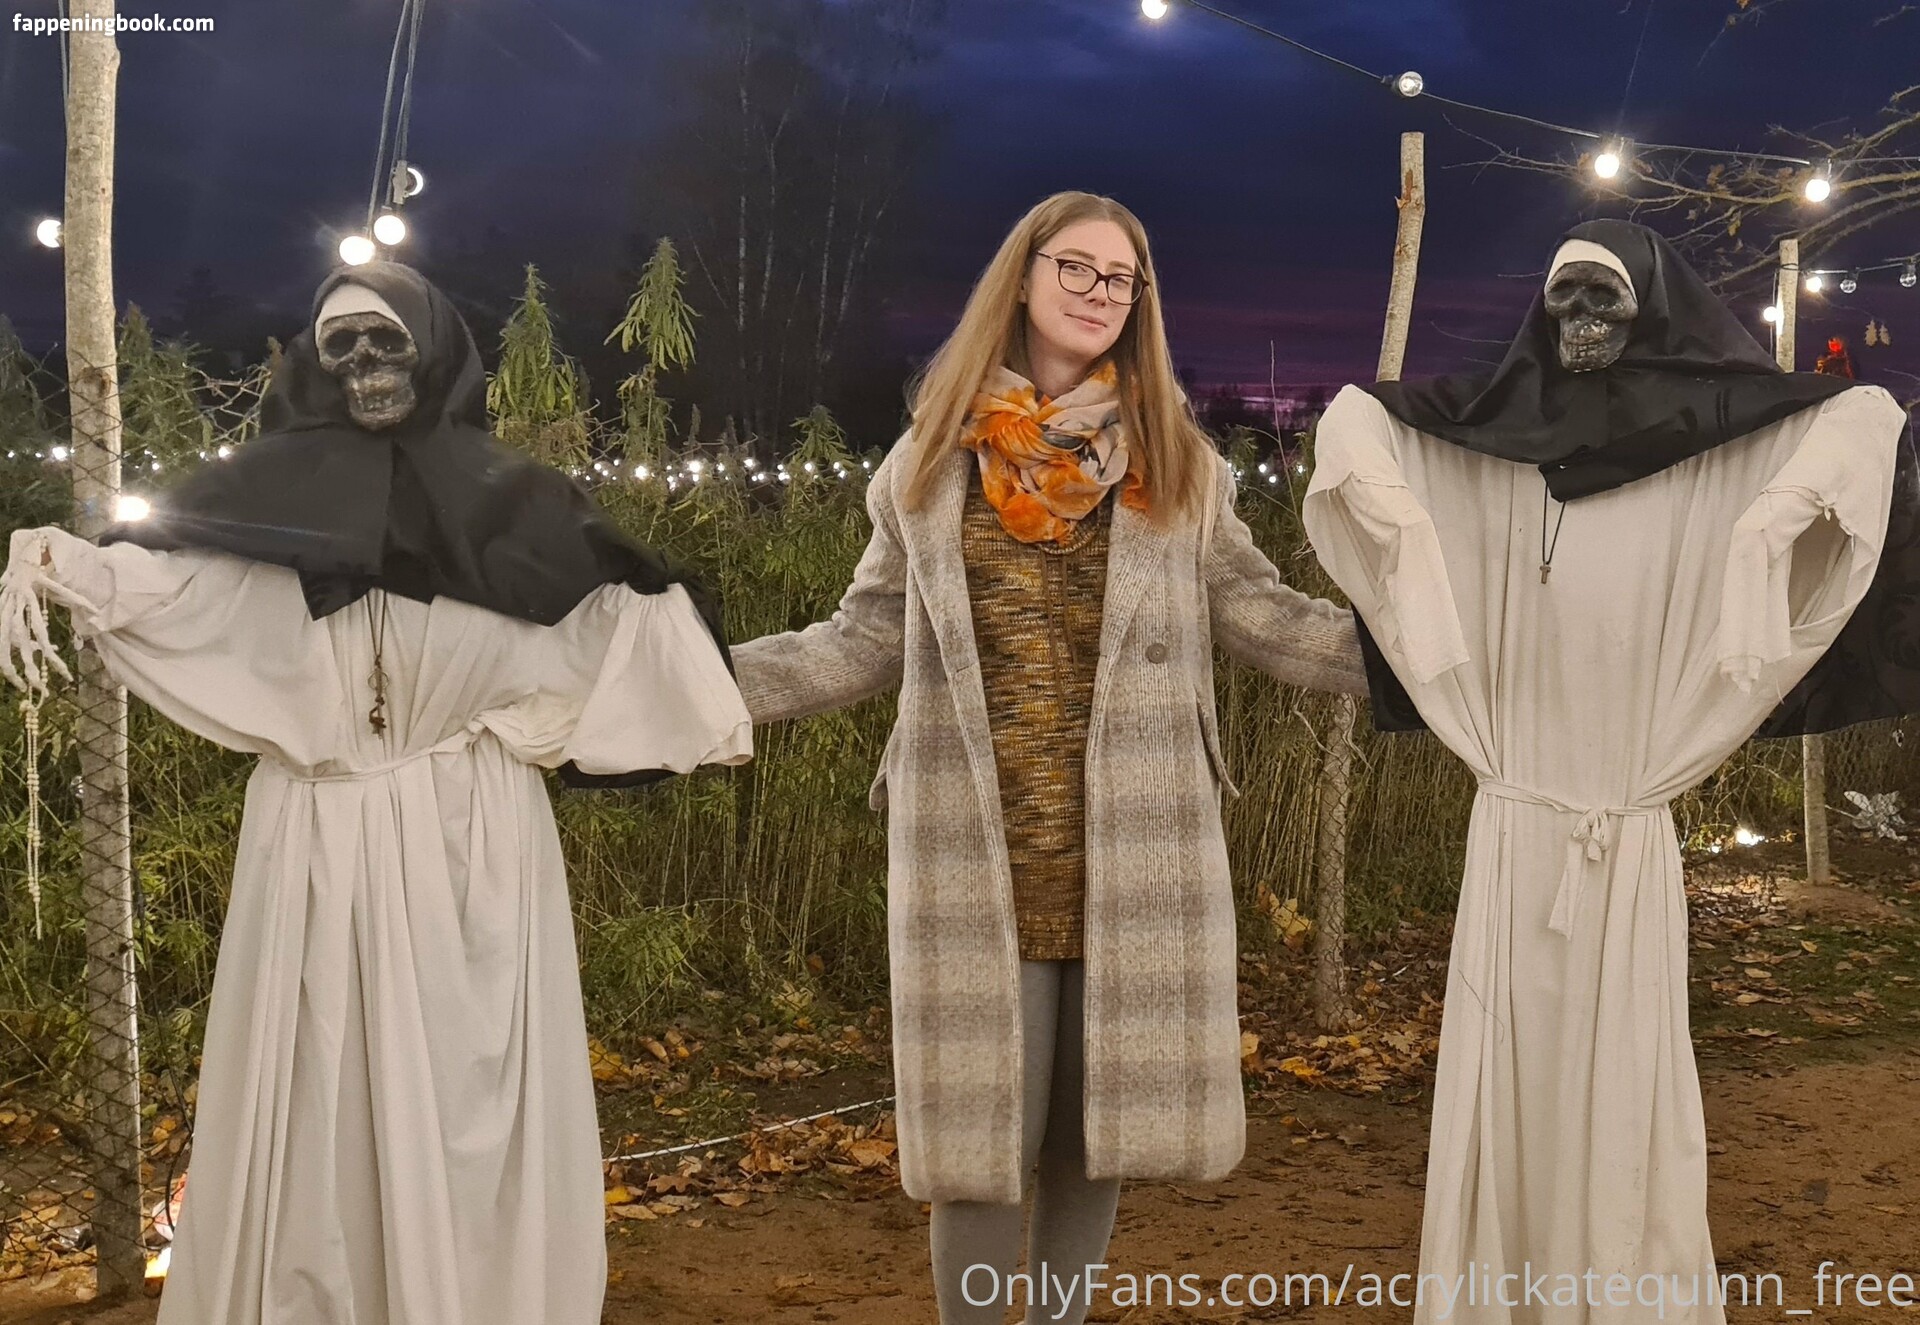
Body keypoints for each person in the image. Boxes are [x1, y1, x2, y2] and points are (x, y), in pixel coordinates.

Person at [0, 261, 754, 1325]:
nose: (363, 363)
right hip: (317, 830)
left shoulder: (519, 505)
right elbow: (174, 589)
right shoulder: (257, 504)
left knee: (466, 1082)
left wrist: (684, 652)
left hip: (470, 839)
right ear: (312, 366)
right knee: (320, 1085)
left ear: (434, 350)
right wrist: (59, 562)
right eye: (339, 344)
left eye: (385, 339)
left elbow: (607, 624)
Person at [729, 190, 1369, 1325]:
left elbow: (1264, 614)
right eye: (1076, 266)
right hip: (974, 843)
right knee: (978, 1143)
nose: (1098, 291)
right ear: (1022, 278)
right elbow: (862, 637)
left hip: (1138, 841)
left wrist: (1424, 661)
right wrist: (686, 682)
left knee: (1093, 1130)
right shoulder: (929, 461)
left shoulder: (1178, 462)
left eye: (1121, 277)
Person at [1304, 218, 1912, 1324]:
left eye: (1606, 297)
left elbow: (1866, 418)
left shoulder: (1712, 453)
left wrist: (1770, 523)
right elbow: (1353, 422)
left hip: (1623, 830)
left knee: (1622, 1076)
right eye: (1565, 297)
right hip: (1516, 826)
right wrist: (1409, 544)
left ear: (1653, 309)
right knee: (1510, 1076)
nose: (1581, 320)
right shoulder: (1492, 451)